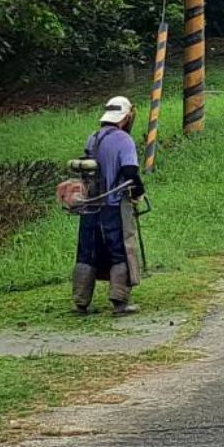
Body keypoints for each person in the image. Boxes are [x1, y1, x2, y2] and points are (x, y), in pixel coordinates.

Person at [74, 96, 146, 316]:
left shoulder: (92, 138)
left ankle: (80, 301)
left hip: (90, 206)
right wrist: (140, 193)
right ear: (125, 117)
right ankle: (120, 302)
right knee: (120, 250)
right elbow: (130, 173)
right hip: (113, 206)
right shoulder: (124, 140)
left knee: (87, 251)